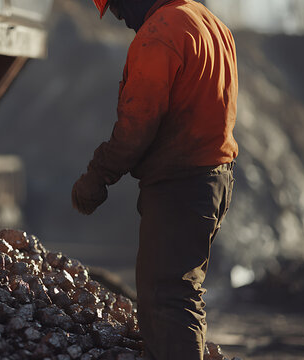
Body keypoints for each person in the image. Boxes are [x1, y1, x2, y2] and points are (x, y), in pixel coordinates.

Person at [71, 0, 238, 359]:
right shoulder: (210, 23)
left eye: (116, 8)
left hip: (181, 185)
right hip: (213, 180)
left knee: (169, 300)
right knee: (176, 293)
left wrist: (97, 176)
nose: (120, 19)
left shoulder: (160, 34)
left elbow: (136, 126)